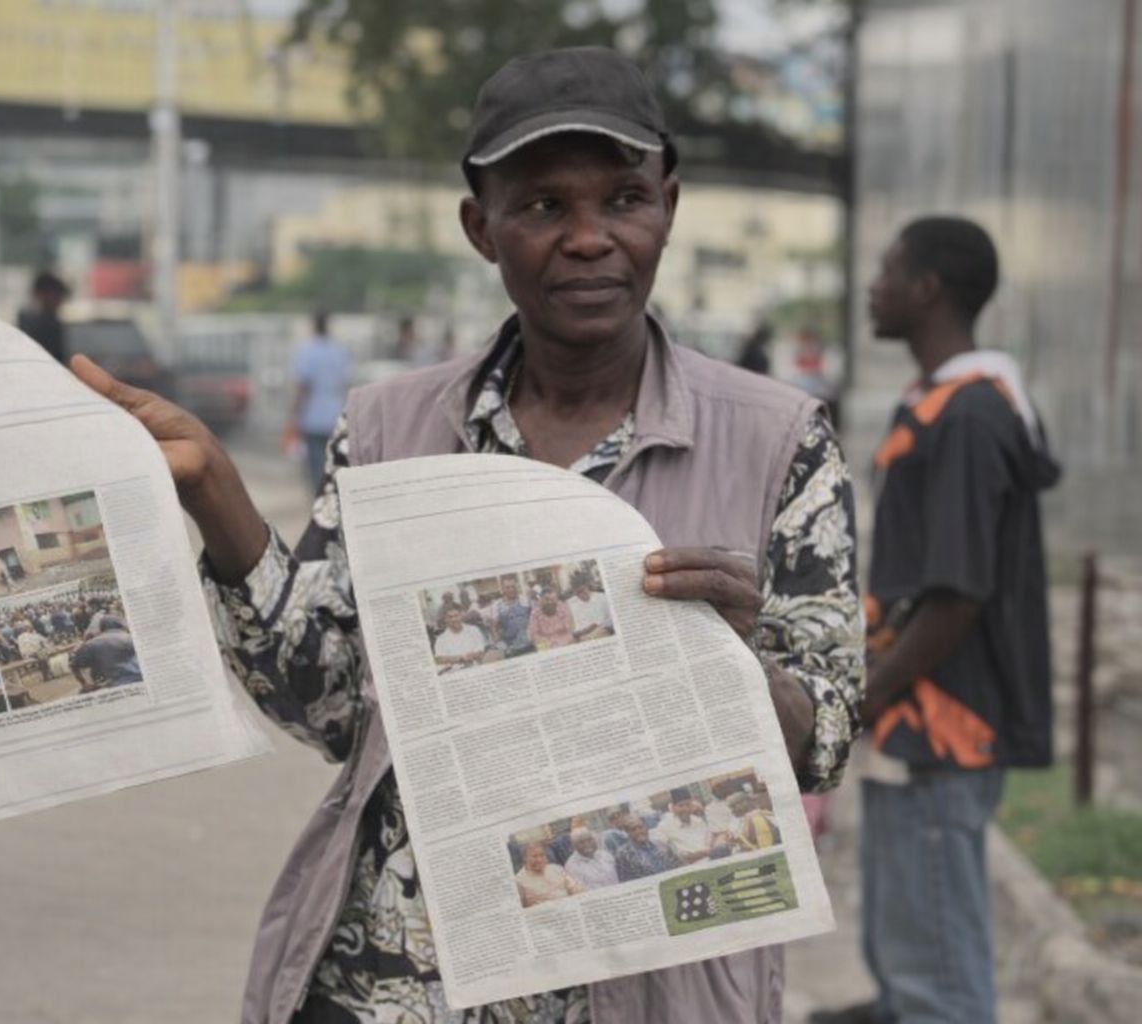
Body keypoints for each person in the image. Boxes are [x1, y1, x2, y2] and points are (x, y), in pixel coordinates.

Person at [69, 45, 863, 1024]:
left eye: (622, 199)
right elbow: (327, 707)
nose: (587, 237)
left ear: (669, 203)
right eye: (541, 207)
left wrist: (736, 664)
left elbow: (824, 737)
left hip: (639, 988)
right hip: (390, 986)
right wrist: (218, 499)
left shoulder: (778, 439)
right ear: (480, 228)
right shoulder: (391, 428)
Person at [811, 218, 1058, 1024]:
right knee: (904, 936)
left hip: (941, 726)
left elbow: (958, 595)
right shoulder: (938, 405)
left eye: (888, 271)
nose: (873, 286)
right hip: (913, 723)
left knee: (939, 980)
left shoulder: (969, 419)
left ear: (928, 289)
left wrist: (862, 702)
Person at [286, 311, 351, 491]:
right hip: (335, 418)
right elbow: (345, 385)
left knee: (316, 470)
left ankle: (320, 507)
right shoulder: (339, 351)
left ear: (313, 325)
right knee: (336, 467)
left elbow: (302, 387)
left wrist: (293, 415)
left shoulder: (307, 351)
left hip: (313, 419)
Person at [652, 788, 728, 865]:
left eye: (688, 804)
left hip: (714, 859)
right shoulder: (665, 826)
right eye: (680, 806)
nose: (685, 809)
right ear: (673, 807)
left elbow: (710, 840)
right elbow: (659, 848)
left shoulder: (697, 820)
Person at [69, 618, 142, 691]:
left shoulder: (91, 644)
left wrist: (85, 683)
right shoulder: (131, 637)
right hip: (140, 677)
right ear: (119, 626)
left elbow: (74, 665)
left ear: (102, 628)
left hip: (113, 685)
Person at [16, 270, 70, 364]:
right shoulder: (49, 324)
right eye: (56, 295)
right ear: (41, 294)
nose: (60, 301)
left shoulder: (24, 320)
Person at [514, 842, 585, 908]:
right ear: (525, 858)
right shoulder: (519, 881)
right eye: (534, 856)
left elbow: (575, 888)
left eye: (542, 855)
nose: (539, 860)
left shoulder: (557, 869)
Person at [613, 815, 682, 882]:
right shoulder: (623, 854)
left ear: (646, 827)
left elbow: (678, 865)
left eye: (641, 827)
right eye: (633, 829)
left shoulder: (661, 845)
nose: (639, 832)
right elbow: (625, 881)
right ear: (627, 833)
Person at [431, 605, 488, 670]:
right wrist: (460, 658)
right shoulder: (441, 639)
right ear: (445, 619)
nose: (454, 619)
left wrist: (474, 655)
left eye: (456, 616)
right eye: (450, 617)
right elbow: (439, 659)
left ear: (461, 616)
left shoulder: (474, 630)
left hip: (476, 667)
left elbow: (481, 649)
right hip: (455, 671)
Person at [492, 574, 533, 657]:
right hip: (511, 648)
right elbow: (494, 627)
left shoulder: (525, 600)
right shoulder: (497, 605)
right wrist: (499, 644)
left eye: (513, 586)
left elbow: (534, 618)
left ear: (517, 587)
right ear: (502, 589)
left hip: (530, 644)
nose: (511, 589)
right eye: (507, 587)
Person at [526, 583, 576, 650]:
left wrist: (559, 643)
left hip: (566, 644)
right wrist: (550, 643)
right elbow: (533, 635)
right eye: (546, 599)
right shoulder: (535, 613)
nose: (550, 602)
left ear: (556, 599)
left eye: (553, 599)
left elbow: (569, 628)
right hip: (547, 646)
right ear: (541, 600)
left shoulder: (563, 607)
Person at [566, 575, 614, 639]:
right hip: (581, 636)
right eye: (577, 593)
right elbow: (571, 626)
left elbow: (609, 620)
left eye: (582, 590)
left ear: (587, 586)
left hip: (600, 632)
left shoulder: (602, 597)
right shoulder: (571, 603)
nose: (580, 595)